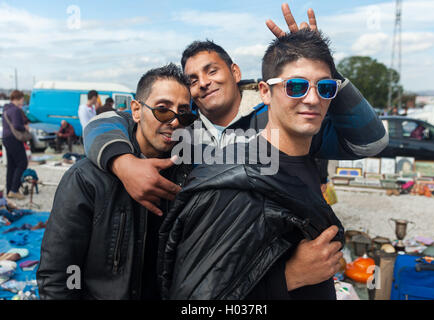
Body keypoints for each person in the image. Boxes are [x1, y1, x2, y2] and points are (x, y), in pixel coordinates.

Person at [82, 5, 388, 217]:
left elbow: (370, 142)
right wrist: (122, 164)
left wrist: (322, 68)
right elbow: (107, 121)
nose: (203, 83)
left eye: (211, 71)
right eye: (192, 79)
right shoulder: (183, 126)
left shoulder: (283, 117)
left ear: (235, 71)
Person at [158, 29, 345, 300]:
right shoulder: (236, 183)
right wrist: (288, 277)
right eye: (296, 86)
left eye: (325, 87)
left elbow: (372, 139)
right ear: (265, 93)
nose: (313, 99)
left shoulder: (302, 160)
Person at [36, 64, 196, 300]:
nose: (174, 121)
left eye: (183, 113)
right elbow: (58, 275)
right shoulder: (87, 179)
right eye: (163, 110)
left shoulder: (188, 173)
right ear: (136, 110)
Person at [1, 90, 28, 200]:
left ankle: (9, 191)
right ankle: (14, 190)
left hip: (6, 138)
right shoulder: (16, 110)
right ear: (18, 98)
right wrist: (25, 128)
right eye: (22, 99)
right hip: (14, 139)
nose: (23, 101)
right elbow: (17, 125)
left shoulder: (6, 109)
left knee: (11, 165)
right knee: (22, 162)